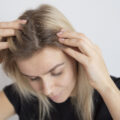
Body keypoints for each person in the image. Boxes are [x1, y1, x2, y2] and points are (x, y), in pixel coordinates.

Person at [0, 4, 120, 120]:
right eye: (33, 78)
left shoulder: (114, 92)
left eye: (57, 72)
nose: (47, 89)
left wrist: (106, 87)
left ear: (76, 55)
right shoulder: (22, 93)